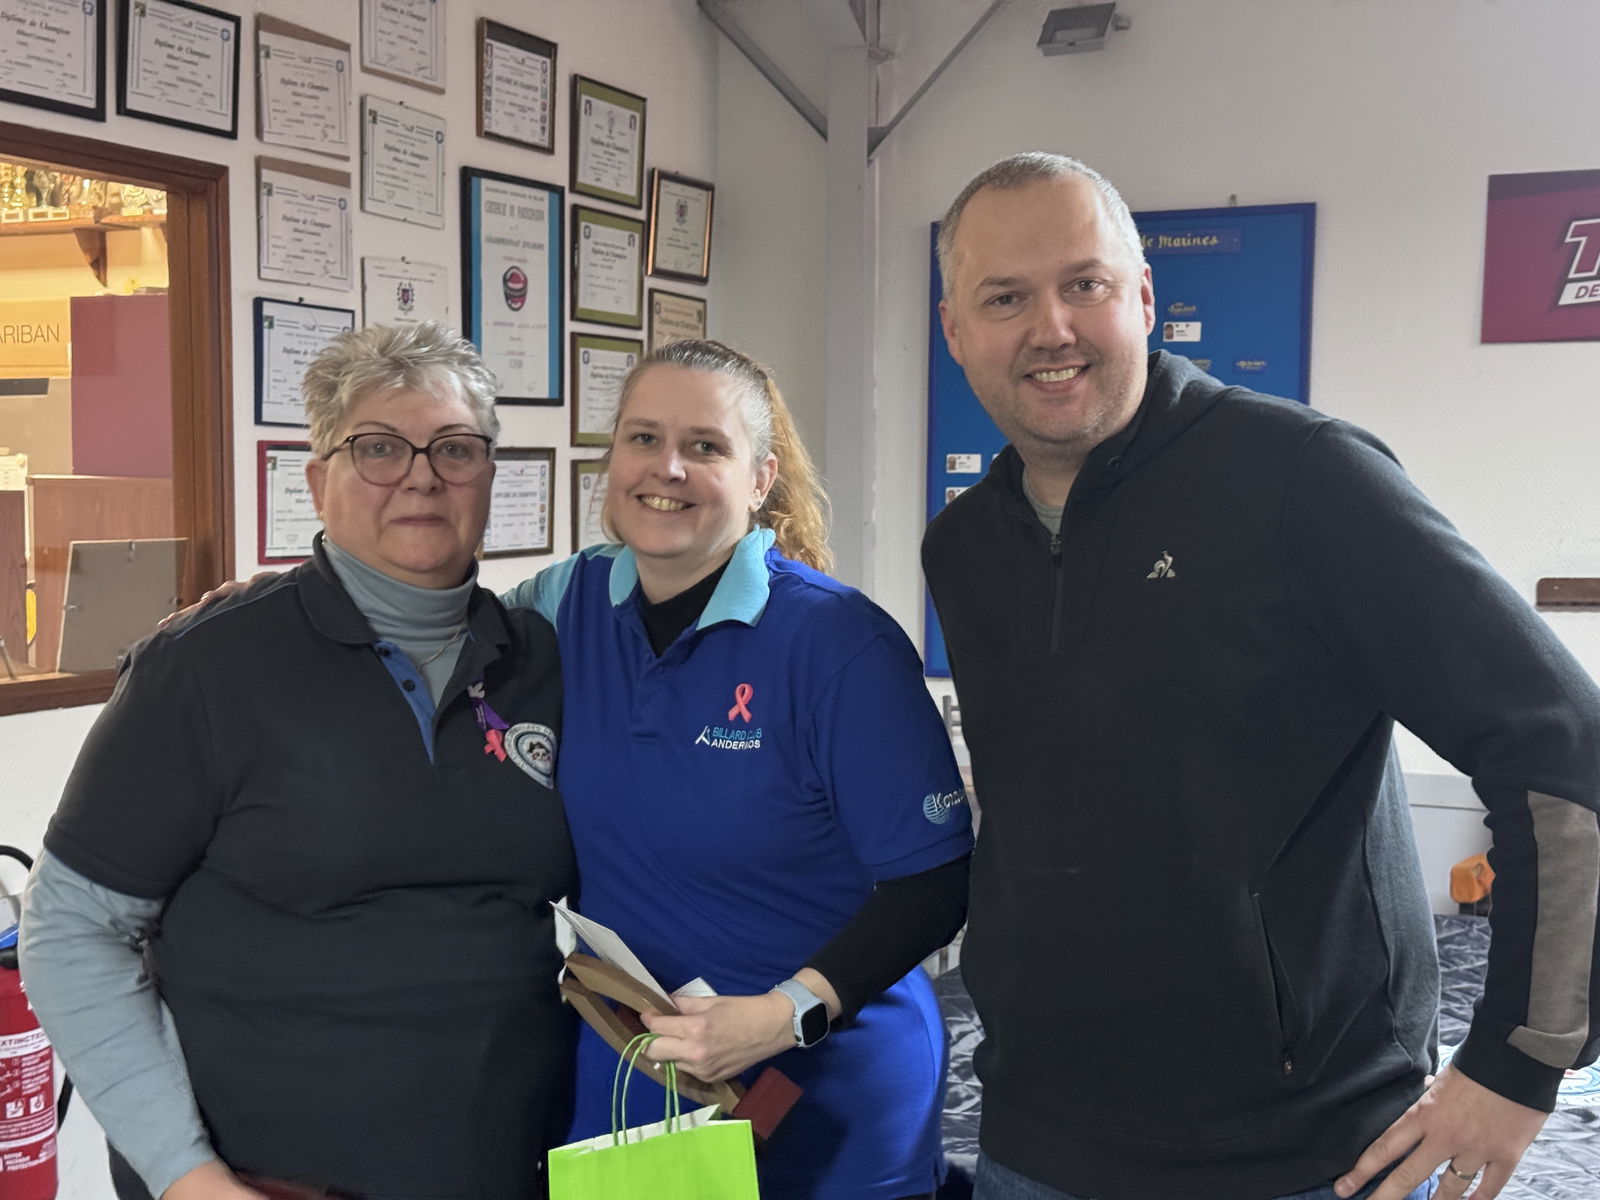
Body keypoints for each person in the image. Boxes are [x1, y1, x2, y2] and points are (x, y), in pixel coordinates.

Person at [924, 152, 1600, 1200]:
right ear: (955, 330)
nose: (1050, 328)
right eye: (1004, 297)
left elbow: (1563, 744)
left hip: (1306, 1152)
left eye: (1084, 283)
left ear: (1143, 297)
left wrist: (1522, 1059)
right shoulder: (963, 547)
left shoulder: (1301, 479)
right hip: (1036, 1137)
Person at [20, 323, 576, 1200]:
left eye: (455, 449)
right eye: (378, 448)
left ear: (489, 477)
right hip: (262, 1181)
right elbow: (70, 931)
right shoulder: (206, 668)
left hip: (510, 1167)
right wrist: (188, 1178)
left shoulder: (539, 656)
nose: (422, 476)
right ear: (318, 482)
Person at [504, 339, 973, 1200]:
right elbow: (431, 628)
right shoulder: (566, 603)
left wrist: (784, 1014)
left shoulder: (839, 644)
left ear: (760, 480)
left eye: (706, 446)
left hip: (823, 1099)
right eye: (644, 438)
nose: (667, 468)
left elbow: (935, 885)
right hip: (637, 1086)